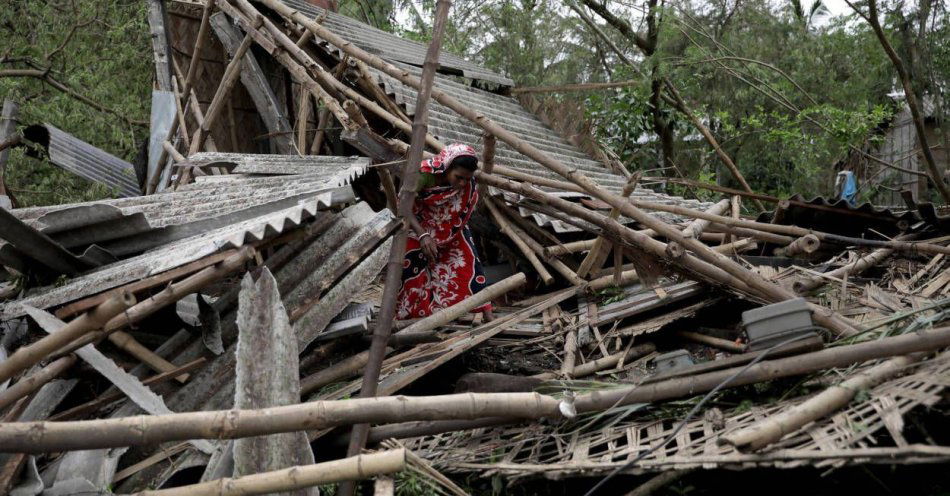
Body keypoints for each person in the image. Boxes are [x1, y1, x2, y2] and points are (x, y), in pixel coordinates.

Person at [396, 143, 494, 322]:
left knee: (468, 263)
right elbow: (403, 205)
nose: (463, 183)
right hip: (418, 224)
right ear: (447, 167)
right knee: (410, 261)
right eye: (459, 177)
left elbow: (461, 208)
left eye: (467, 179)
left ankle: (484, 313)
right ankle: (413, 317)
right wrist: (423, 235)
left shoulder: (467, 181)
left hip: (451, 228)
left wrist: (443, 234)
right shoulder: (423, 175)